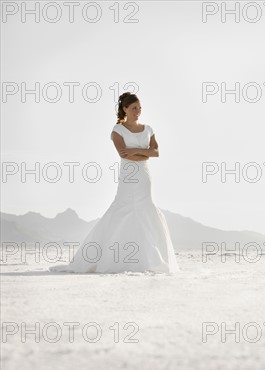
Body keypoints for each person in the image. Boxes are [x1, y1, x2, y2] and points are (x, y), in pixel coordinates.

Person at [49, 92, 180, 273]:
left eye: (140, 108)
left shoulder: (148, 129)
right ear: (125, 109)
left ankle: (150, 260)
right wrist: (143, 152)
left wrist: (134, 150)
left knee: (145, 209)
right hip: (128, 175)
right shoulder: (117, 131)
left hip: (144, 176)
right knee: (122, 208)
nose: (138, 111)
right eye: (134, 108)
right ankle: (109, 257)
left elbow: (156, 152)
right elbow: (123, 154)